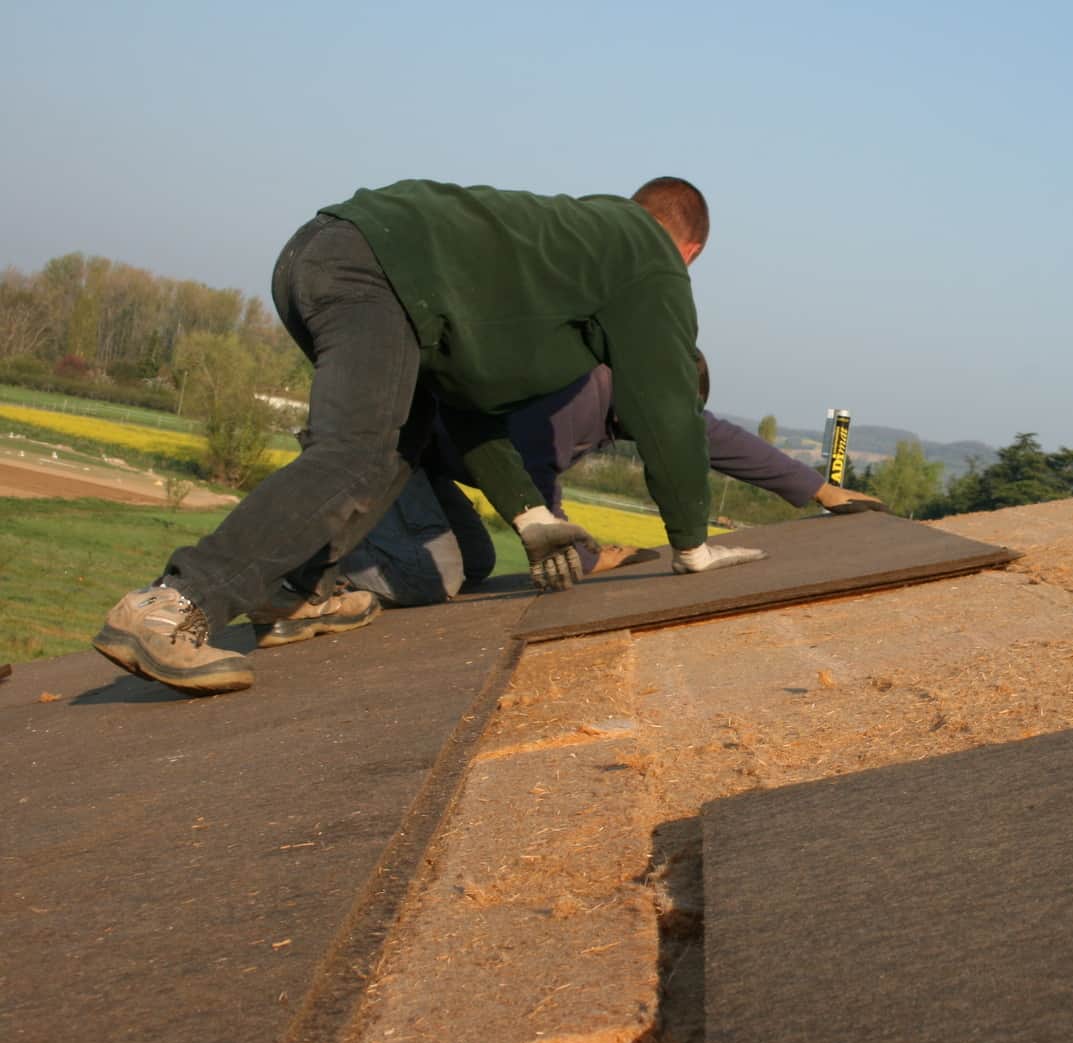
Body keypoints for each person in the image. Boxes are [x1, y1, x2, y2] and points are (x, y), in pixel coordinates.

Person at [93, 177, 764, 696]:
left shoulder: (551, 257)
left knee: (397, 441)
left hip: (324, 254)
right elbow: (668, 406)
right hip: (369, 268)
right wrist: (691, 545)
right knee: (355, 449)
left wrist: (530, 515)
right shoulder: (648, 258)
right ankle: (171, 607)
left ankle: (289, 592)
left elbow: (463, 402)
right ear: (691, 250)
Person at [342, 357, 885, 605]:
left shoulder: (631, 397)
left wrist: (823, 491)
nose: (668, 433)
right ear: (652, 393)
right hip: (378, 448)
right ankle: (312, 567)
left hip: (426, 462)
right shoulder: (570, 404)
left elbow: (718, 440)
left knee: (477, 565)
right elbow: (536, 513)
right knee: (431, 579)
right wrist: (593, 558)